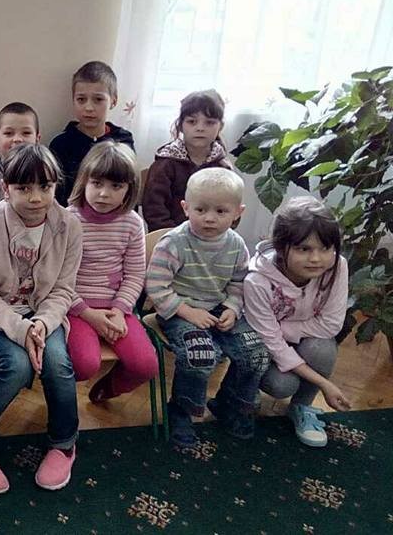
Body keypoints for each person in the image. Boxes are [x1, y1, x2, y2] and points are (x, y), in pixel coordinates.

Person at [0, 144, 82, 494]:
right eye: (23, 188)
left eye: (45, 186)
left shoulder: (69, 225)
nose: (36, 197)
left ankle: (63, 443)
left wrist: (41, 324)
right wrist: (21, 328)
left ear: (56, 186)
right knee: (17, 365)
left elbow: (63, 290)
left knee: (57, 363)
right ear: (5, 188)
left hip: (44, 316)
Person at [146, 168, 268, 449]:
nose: (209, 218)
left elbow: (239, 282)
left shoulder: (237, 245)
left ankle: (230, 405)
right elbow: (156, 286)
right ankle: (181, 412)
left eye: (220, 211)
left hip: (219, 308)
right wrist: (187, 312)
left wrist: (233, 308)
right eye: (200, 209)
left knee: (257, 353)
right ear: (185, 208)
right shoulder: (174, 242)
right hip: (179, 312)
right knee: (200, 355)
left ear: (238, 212)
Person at [244, 196, 351, 447]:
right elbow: (271, 343)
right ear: (281, 248)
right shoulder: (257, 281)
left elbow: (331, 324)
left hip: (289, 336)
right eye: (304, 249)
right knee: (282, 385)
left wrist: (281, 329)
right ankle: (244, 390)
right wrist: (324, 384)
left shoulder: (338, 267)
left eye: (325, 248)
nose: (316, 259)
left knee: (322, 348)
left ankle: (301, 408)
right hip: (262, 346)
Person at [65, 142, 157, 400]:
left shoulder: (132, 223)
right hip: (76, 309)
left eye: (116, 186)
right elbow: (57, 278)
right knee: (85, 365)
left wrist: (118, 310)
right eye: (97, 183)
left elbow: (135, 275)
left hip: (117, 308)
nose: (104, 194)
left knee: (145, 366)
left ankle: (107, 389)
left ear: (129, 189)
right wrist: (87, 313)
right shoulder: (67, 220)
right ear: (84, 181)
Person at [143, 90, 231, 230]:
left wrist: (215, 233)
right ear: (181, 125)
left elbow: (230, 207)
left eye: (209, 122)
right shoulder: (165, 164)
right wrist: (175, 237)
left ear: (220, 126)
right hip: (169, 236)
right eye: (192, 122)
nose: (200, 128)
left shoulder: (222, 167)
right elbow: (154, 209)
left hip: (211, 237)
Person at [50, 61, 134, 206]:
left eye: (98, 100)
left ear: (113, 101)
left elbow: (129, 186)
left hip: (114, 216)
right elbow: (56, 195)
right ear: (73, 100)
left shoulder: (123, 140)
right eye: (81, 100)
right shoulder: (61, 144)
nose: (89, 107)